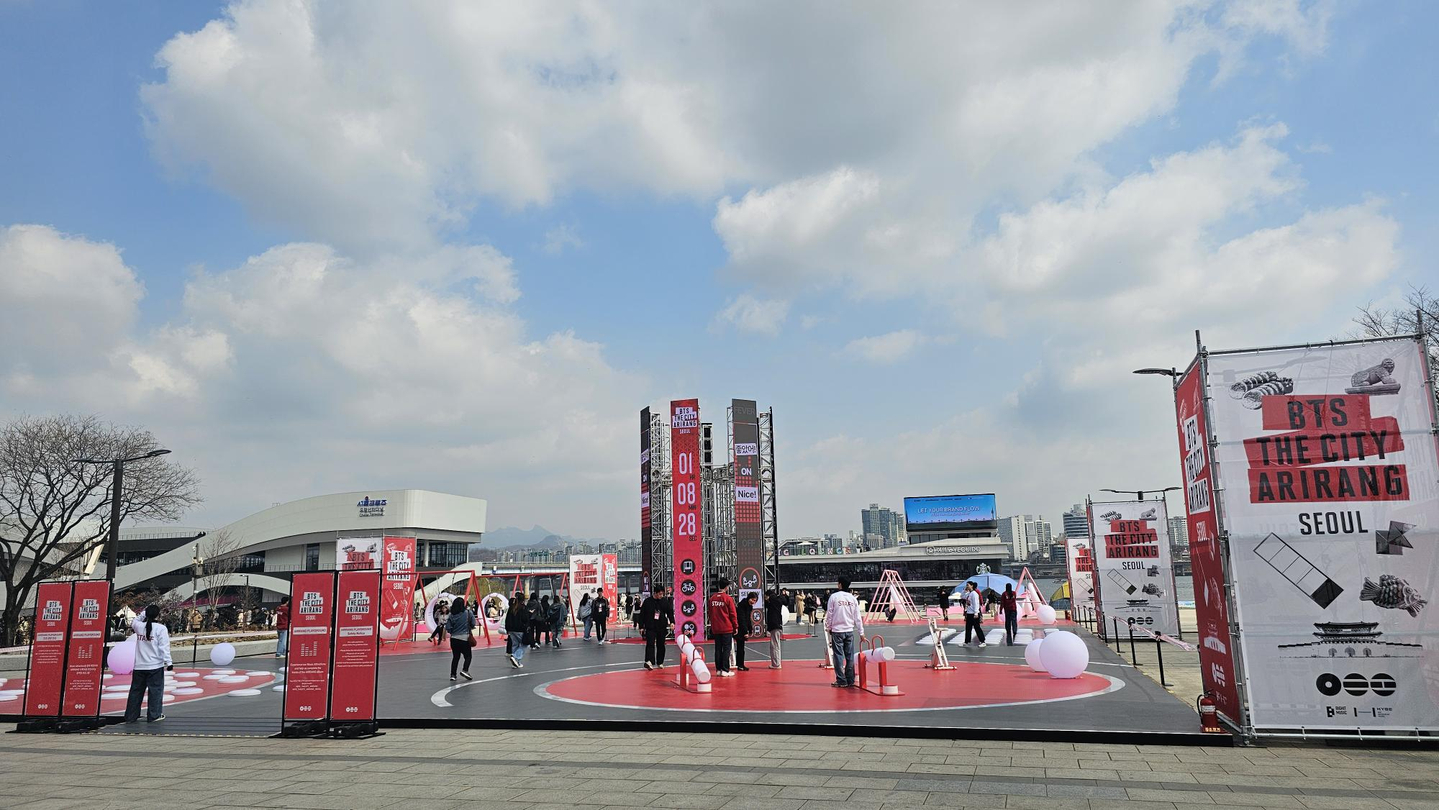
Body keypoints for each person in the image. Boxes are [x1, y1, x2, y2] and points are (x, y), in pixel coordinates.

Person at [123, 605, 173, 723]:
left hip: (139, 665)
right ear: (158, 615)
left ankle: (131, 716)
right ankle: (154, 715)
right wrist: (169, 662)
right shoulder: (161, 628)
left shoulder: (138, 626)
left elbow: (136, 620)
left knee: (136, 691)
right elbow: (164, 647)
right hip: (155, 665)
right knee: (155, 691)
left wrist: (144, 613)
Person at [825, 577, 863, 688]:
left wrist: (829, 627)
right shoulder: (852, 598)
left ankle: (841, 680)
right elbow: (857, 617)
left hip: (837, 630)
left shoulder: (834, 597)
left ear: (840, 585)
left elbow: (830, 614)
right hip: (849, 630)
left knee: (838, 656)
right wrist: (861, 632)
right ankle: (850, 679)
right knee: (850, 656)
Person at [707, 578, 738, 677]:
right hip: (726, 628)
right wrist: (735, 626)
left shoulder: (712, 599)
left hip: (716, 628)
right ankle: (725, 669)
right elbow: (733, 614)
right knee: (726, 649)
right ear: (726, 587)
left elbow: (709, 613)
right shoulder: (728, 599)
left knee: (718, 649)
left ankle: (718, 669)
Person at [640, 585, 673, 670]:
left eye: (662, 594)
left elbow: (670, 612)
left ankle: (660, 662)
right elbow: (642, 614)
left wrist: (672, 622)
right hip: (650, 626)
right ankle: (649, 661)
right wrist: (641, 626)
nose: (661, 596)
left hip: (661, 626)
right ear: (655, 593)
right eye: (660, 594)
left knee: (661, 644)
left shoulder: (664, 601)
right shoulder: (647, 602)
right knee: (650, 644)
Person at [445, 598, 477, 681]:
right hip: (464, 638)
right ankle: (465, 670)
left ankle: (453, 675)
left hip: (454, 639)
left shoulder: (451, 615)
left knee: (455, 657)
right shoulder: (468, 613)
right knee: (468, 656)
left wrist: (453, 631)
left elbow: (448, 627)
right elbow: (473, 623)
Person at [734, 592, 758, 671]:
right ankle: (740, 664)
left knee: (741, 648)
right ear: (749, 598)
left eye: (755, 601)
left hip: (744, 628)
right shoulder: (742, 606)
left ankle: (740, 664)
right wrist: (745, 631)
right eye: (752, 600)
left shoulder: (749, 607)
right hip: (740, 629)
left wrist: (750, 629)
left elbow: (748, 619)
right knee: (740, 648)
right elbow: (742, 619)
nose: (753, 602)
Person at [504, 593, 528, 668]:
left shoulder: (512, 607)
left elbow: (507, 619)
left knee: (515, 644)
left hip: (511, 629)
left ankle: (516, 662)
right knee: (524, 644)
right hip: (520, 629)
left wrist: (507, 628)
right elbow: (525, 619)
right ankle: (515, 657)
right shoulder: (523, 608)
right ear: (523, 600)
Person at [963, 582, 988, 647]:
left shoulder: (974, 594)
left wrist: (976, 613)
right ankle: (966, 642)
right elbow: (962, 596)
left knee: (977, 628)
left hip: (974, 614)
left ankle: (982, 641)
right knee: (968, 628)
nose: (967, 586)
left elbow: (976, 604)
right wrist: (964, 590)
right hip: (969, 613)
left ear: (972, 586)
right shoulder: (969, 594)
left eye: (968, 585)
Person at [765, 589, 785, 668]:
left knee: (775, 645)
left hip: (774, 625)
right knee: (775, 644)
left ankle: (776, 663)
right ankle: (776, 663)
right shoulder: (777, 601)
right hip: (777, 624)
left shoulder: (773, 601)